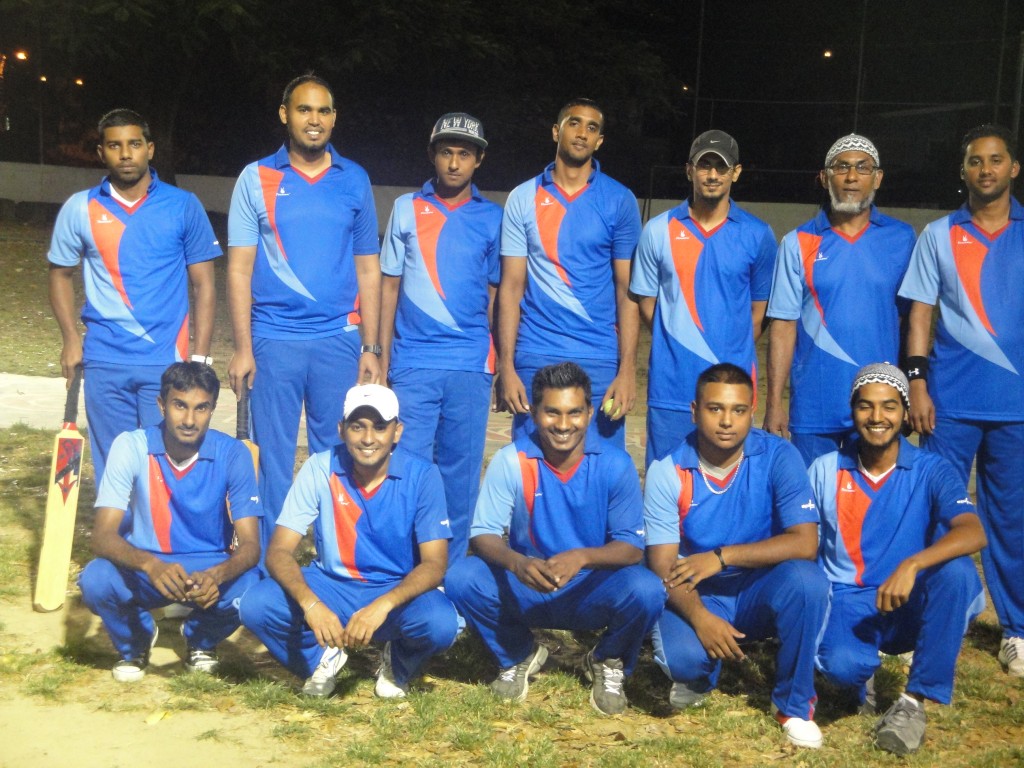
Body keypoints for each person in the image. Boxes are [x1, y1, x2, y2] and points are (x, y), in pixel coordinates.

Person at [445, 362, 665, 715]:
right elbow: (483, 534)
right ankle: (518, 653)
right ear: (534, 413)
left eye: (574, 412)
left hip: (589, 589)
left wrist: (582, 557)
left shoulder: (615, 463)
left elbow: (630, 547)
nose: (563, 425)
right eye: (552, 412)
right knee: (462, 577)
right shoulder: (511, 460)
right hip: (530, 582)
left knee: (647, 589)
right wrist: (518, 563)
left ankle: (607, 659)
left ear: (590, 413)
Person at [227, 74, 382, 552]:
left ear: (334, 118)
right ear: (285, 115)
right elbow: (239, 269)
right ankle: (270, 564)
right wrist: (243, 349)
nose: (314, 120)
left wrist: (372, 347)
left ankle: (335, 560)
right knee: (272, 460)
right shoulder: (255, 178)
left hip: (338, 340)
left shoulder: (354, 179)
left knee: (337, 457)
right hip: (274, 340)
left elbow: (369, 269)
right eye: (304, 110)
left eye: (323, 111)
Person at [643, 363, 828, 749]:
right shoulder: (668, 469)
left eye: (738, 410)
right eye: (715, 409)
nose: (727, 421)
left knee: (807, 582)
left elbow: (804, 543)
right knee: (683, 661)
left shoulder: (780, 456)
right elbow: (661, 565)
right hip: (699, 592)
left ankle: (793, 706)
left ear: (752, 411)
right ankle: (701, 673)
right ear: (695, 411)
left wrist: (722, 556)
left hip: (760, 587)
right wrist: (700, 618)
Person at [898, 124, 1024, 678]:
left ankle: (1016, 630)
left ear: (1013, 168)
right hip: (948, 404)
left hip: (1016, 407)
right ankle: (922, 621)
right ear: (963, 171)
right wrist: (917, 384)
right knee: (936, 515)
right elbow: (920, 313)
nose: (986, 170)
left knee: (1012, 522)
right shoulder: (938, 234)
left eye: (995, 160)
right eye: (975, 161)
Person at [810, 363, 987, 755]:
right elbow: (805, 545)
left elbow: (973, 532)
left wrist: (912, 564)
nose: (877, 417)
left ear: (906, 413)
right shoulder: (825, 469)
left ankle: (913, 703)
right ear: (852, 411)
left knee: (957, 573)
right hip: (851, 597)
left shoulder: (932, 468)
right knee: (842, 668)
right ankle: (860, 675)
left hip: (909, 597)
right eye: (866, 406)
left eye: (889, 406)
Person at [239, 384, 459, 699]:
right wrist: (312, 605)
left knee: (441, 624)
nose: (368, 438)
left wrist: (383, 606)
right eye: (357, 426)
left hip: (394, 588)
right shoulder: (320, 466)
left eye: (380, 427)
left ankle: (397, 663)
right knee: (256, 605)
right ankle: (322, 658)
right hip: (332, 584)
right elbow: (278, 552)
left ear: (397, 431)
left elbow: (435, 564)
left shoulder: (422, 475)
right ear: (341, 430)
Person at [48, 108, 219, 484]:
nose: (125, 154)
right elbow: (59, 274)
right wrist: (70, 340)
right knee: (115, 473)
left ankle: (159, 525)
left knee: (165, 471)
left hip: (165, 363)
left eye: (134, 144)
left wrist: (200, 357)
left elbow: (204, 284)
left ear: (150, 149)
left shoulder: (183, 205)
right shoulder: (80, 208)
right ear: (101, 153)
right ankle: (116, 527)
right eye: (114, 146)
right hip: (104, 361)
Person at [78, 362, 262, 681]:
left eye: (201, 408)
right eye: (180, 405)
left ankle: (200, 639)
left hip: (207, 567)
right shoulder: (131, 445)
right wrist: (150, 565)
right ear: (161, 404)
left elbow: (251, 546)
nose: (189, 420)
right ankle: (135, 642)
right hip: (148, 566)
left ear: (212, 409)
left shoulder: (233, 453)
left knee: (254, 585)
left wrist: (219, 574)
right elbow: (102, 537)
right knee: (96, 579)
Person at [379, 112, 502, 564]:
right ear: (432, 155)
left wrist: (495, 360)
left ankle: (452, 575)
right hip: (412, 363)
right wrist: (381, 357)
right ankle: (402, 567)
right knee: (407, 468)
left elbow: (495, 296)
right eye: (446, 152)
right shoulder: (406, 208)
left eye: (464, 154)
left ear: (478, 160)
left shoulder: (493, 217)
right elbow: (389, 287)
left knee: (460, 475)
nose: (454, 163)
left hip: (469, 366)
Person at [496, 99, 641, 448]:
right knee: (532, 467)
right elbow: (511, 288)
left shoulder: (620, 200)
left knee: (601, 466)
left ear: (599, 141)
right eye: (574, 123)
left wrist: (627, 370)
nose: (582, 133)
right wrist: (507, 366)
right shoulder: (523, 197)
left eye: (592, 128)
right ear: (556, 132)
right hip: (535, 354)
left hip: (599, 357)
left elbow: (627, 291)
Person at [764, 134, 916, 465]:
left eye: (863, 168)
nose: (851, 177)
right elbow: (783, 327)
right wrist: (774, 403)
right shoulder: (797, 242)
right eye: (841, 167)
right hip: (814, 406)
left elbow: (911, 323)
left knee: (872, 497)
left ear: (878, 178)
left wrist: (913, 389)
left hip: (879, 405)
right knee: (811, 497)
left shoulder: (902, 239)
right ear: (824, 177)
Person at [630, 130, 776, 467]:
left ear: (735, 173)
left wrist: (728, 348)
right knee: (666, 483)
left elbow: (760, 311)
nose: (712, 175)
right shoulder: (658, 230)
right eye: (704, 166)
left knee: (727, 485)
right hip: (671, 387)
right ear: (689, 170)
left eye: (721, 167)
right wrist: (677, 339)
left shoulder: (758, 234)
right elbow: (646, 303)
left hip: (732, 391)